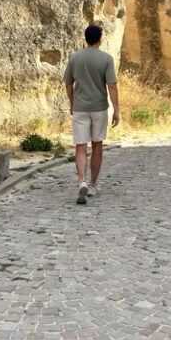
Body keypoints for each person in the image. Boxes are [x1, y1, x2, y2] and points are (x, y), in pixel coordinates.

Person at [63, 24, 120, 205]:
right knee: (97, 145)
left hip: (80, 107)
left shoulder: (74, 58)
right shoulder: (106, 59)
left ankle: (82, 181)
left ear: (85, 38)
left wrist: (73, 103)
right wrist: (116, 109)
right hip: (99, 108)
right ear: (100, 39)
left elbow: (68, 84)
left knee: (80, 146)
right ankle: (93, 184)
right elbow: (111, 86)